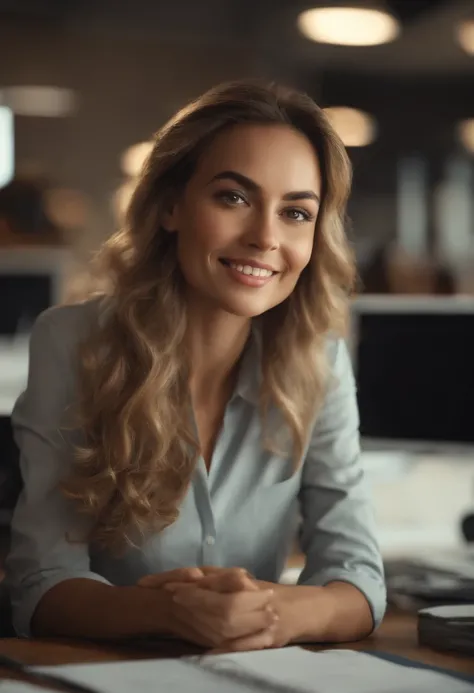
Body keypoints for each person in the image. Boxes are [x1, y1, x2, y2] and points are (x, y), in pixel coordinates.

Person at [6, 79, 386, 651]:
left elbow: (359, 579)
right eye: (234, 198)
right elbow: (40, 586)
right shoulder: (74, 342)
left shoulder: (321, 362)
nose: (264, 237)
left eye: (296, 213)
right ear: (169, 206)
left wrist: (273, 613)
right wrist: (169, 612)